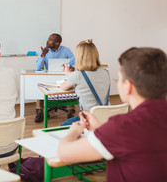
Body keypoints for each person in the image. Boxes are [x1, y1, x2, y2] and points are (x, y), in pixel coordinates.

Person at [58, 47, 167, 182]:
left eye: (119, 80)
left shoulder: (122, 127)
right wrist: (100, 131)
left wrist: (73, 132)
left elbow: (63, 152)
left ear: (128, 87)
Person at [59, 39, 110, 126]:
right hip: (105, 117)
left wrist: (67, 73)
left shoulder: (78, 75)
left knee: (63, 126)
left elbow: (63, 87)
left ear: (80, 57)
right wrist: (70, 74)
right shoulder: (105, 72)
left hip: (88, 118)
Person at [35, 33, 75, 123]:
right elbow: (38, 68)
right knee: (40, 86)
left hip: (63, 77)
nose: (47, 41)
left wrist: (73, 67)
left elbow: (74, 62)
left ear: (57, 43)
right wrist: (42, 55)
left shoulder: (66, 51)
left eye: (50, 39)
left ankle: (70, 111)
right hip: (48, 78)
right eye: (48, 38)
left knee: (70, 84)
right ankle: (40, 111)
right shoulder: (44, 51)